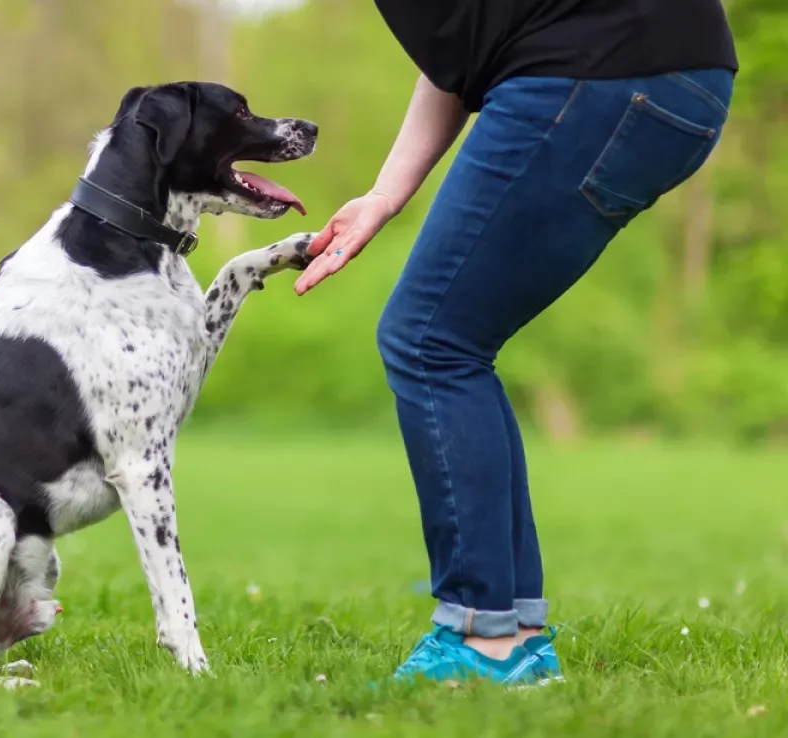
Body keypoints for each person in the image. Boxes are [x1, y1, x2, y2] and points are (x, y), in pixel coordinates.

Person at [294, 0, 738, 685]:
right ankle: (517, 634)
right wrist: (386, 193)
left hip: (599, 70)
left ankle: (480, 636)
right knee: (454, 343)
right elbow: (463, 55)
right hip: (678, 80)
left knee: (428, 342)